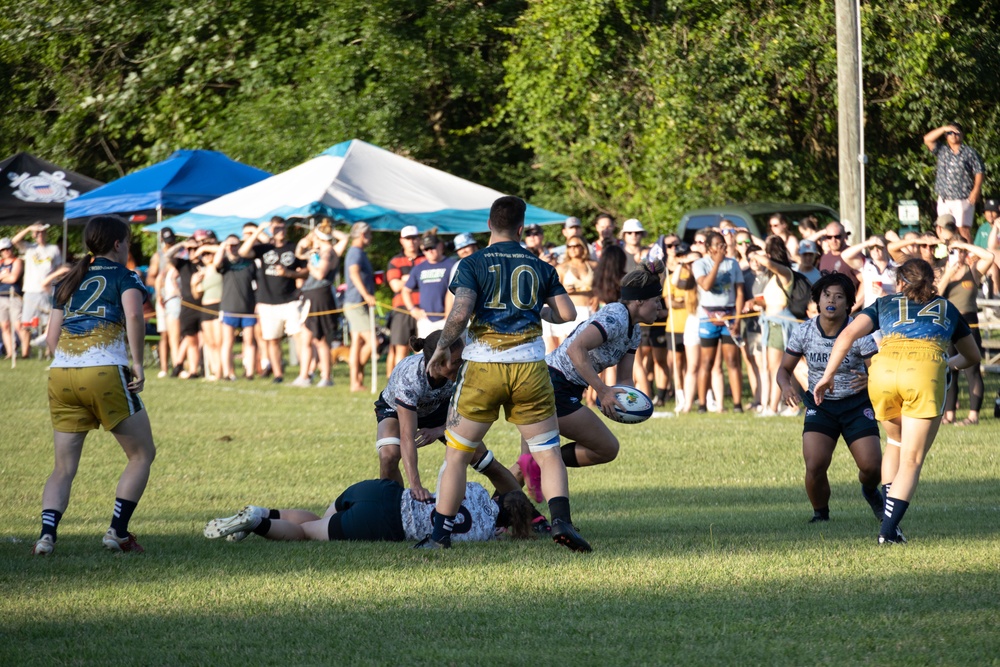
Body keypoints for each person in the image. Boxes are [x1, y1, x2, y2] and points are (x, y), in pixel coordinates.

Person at [418, 195, 587, 551]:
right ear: (522, 228)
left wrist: (443, 347)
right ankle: (562, 523)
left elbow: (461, 313)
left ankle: (439, 537)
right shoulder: (539, 264)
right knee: (548, 452)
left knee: (458, 455)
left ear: (489, 224)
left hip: (483, 368)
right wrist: (539, 312)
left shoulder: (473, 262)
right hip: (530, 369)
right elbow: (567, 313)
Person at [814, 258, 981, 544]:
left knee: (895, 443)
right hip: (923, 373)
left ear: (901, 282)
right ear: (932, 282)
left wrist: (828, 375)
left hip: (884, 373)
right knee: (912, 459)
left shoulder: (885, 303)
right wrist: (947, 364)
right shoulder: (947, 308)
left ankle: (891, 523)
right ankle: (888, 531)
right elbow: (972, 356)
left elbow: (848, 334)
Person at [32, 215, 157, 556]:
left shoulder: (70, 279)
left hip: (61, 375)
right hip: (102, 370)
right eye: (128, 242)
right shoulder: (125, 275)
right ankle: (117, 531)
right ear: (118, 244)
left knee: (63, 467)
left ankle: (46, 536)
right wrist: (137, 363)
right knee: (142, 454)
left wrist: (73, 362)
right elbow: (134, 315)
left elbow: (52, 340)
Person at [203, 460, 536, 545]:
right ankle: (256, 523)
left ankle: (264, 512)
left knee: (315, 521)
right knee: (305, 534)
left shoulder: (478, 490)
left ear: (498, 496)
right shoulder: (482, 535)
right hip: (385, 522)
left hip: (383, 491)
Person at [776, 273, 883, 524]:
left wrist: (870, 379)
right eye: (826, 295)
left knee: (872, 468)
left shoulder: (859, 331)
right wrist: (784, 387)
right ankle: (820, 515)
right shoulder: (804, 331)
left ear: (849, 303)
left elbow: (878, 368)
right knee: (815, 464)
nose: (831, 300)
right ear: (817, 300)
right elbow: (783, 370)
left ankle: (869, 490)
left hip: (856, 404)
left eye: (838, 296)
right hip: (821, 406)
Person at [543, 263, 667, 474]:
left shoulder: (634, 330)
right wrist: (602, 390)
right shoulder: (616, 317)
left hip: (565, 386)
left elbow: (625, 379)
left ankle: (511, 492)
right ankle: (542, 464)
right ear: (639, 301)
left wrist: (631, 404)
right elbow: (576, 349)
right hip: (553, 383)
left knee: (524, 464)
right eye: (656, 301)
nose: (660, 307)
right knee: (606, 448)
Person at [375, 330, 465, 499]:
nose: (462, 365)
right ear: (437, 363)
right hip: (397, 407)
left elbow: (471, 415)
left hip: (438, 407)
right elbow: (407, 435)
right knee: (389, 456)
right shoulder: (411, 377)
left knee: (478, 457)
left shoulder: (464, 369)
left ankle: (511, 507)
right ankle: (392, 508)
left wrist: (440, 429)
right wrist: (416, 486)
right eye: (457, 361)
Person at [238, 217, 306, 384]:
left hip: (291, 300)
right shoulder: (264, 248)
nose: (279, 231)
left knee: (298, 336)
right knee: (272, 340)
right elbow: (243, 252)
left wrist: (290, 274)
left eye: (282, 228)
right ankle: (278, 375)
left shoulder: (293, 247)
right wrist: (258, 231)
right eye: (276, 228)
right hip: (267, 302)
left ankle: (304, 374)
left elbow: (306, 270)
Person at [937, 240, 994, 425]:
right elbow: (934, 294)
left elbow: (990, 257)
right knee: (949, 369)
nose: (959, 254)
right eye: (954, 251)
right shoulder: (940, 272)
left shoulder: (973, 271)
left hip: (970, 325)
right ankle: (950, 414)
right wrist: (948, 274)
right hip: (947, 326)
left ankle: (973, 415)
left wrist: (965, 245)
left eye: (961, 251)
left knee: (972, 370)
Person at [292, 219, 350, 387]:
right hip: (312, 296)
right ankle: (304, 376)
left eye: (315, 237)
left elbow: (320, 274)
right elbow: (298, 253)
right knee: (307, 337)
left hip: (320, 296)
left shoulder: (328, 252)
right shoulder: (320, 251)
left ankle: (326, 377)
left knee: (321, 339)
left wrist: (310, 265)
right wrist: (313, 238)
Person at [692, 231, 745, 413]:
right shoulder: (700, 264)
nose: (721, 248)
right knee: (707, 361)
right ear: (708, 248)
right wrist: (717, 263)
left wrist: (737, 319)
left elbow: (739, 293)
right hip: (708, 316)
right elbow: (705, 285)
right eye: (717, 245)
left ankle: (738, 405)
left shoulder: (733, 264)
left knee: (732, 360)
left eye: (723, 244)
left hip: (729, 314)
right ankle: (702, 404)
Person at [750, 236, 799, 416]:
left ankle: (775, 407)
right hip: (771, 322)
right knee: (773, 367)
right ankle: (776, 406)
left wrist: (756, 253)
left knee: (778, 367)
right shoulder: (774, 276)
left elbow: (767, 262)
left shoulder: (784, 272)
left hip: (780, 323)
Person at [924, 122, 984, 243]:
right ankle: (947, 255)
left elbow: (979, 171)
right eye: (950, 133)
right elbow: (927, 139)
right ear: (946, 136)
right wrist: (944, 128)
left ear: (962, 135)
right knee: (943, 229)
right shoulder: (942, 150)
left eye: (956, 132)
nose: (953, 135)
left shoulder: (969, 152)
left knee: (963, 230)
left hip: (963, 198)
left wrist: (976, 189)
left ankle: (969, 256)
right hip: (944, 198)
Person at [215, 229, 258, 381]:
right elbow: (216, 264)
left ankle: (250, 372)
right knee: (228, 341)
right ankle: (228, 372)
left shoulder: (249, 263)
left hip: (248, 308)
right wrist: (222, 246)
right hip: (229, 307)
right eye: (230, 245)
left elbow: (257, 283)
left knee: (249, 341)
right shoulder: (225, 263)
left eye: (235, 245)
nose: (232, 248)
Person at [11, 222, 62, 348]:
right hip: (30, 290)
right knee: (27, 324)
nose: (40, 234)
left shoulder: (53, 249)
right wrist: (29, 228)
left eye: (42, 232)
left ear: (46, 233)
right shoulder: (29, 247)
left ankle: (48, 351)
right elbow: (14, 240)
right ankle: (25, 352)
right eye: (37, 232)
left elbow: (59, 268)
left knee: (49, 322)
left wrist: (53, 280)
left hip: (47, 290)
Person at [543, 236, 598, 352]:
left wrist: (597, 296)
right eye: (570, 246)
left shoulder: (593, 265)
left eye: (576, 245)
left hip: (590, 309)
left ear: (583, 247)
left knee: (592, 350)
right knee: (569, 349)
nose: (573, 249)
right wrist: (564, 290)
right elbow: (552, 291)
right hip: (571, 310)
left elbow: (601, 286)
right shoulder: (561, 268)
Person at [385, 225, 424, 378]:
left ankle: (421, 380)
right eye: (408, 238)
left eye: (414, 238)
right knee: (400, 348)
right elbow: (395, 286)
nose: (411, 242)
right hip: (401, 310)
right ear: (401, 241)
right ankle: (398, 380)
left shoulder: (426, 258)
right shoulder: (395, 261)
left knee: (421, 348)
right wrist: (417, 279)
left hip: (423, 308)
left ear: (418, 239)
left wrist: (406, 279)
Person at [343, 223, 377, 392]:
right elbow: (354, 273)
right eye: (369, 234)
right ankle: (355, 380)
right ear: (363, 234)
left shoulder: (357, 252)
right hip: (356, 302)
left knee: (357, 341)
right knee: (373, 341)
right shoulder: (355, 252)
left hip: (355, 302)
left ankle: (356, 382)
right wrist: (366, 295)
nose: (371, 238)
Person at [403, 232, 457, 338]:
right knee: (423, 352)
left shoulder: (452, 264)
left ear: (440, 245)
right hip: (425, 320)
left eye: (432, 247)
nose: (430, 251)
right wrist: (413, 309)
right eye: (426, 249)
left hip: (447, 318)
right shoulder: (418, 268)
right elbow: (406, 290)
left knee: (451, 352)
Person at [148, 227, 182, 378]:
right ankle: (164, 368)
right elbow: (150, 277)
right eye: (168, 242)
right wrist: (159, 284)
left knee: (179, 333)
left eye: (172, 241)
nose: (170, 244)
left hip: (177, 298)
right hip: (163, 298)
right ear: (162, 240)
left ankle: (179, 364)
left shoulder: (181, 253)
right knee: (165, 334)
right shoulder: (158, 256)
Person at [0, 237, 27, 359]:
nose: (6, 251)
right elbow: (8, 277)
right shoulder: (1, 263)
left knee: (18, 325)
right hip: (2, 296)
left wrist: (2, 276)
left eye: (8, 249)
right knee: (4, 325)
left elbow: (13, 278)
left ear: (12, 249)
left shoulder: (17, 261)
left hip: (14, 295)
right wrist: (5, 276)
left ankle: (26, 351)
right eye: (3, 249)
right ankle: (10, 352)